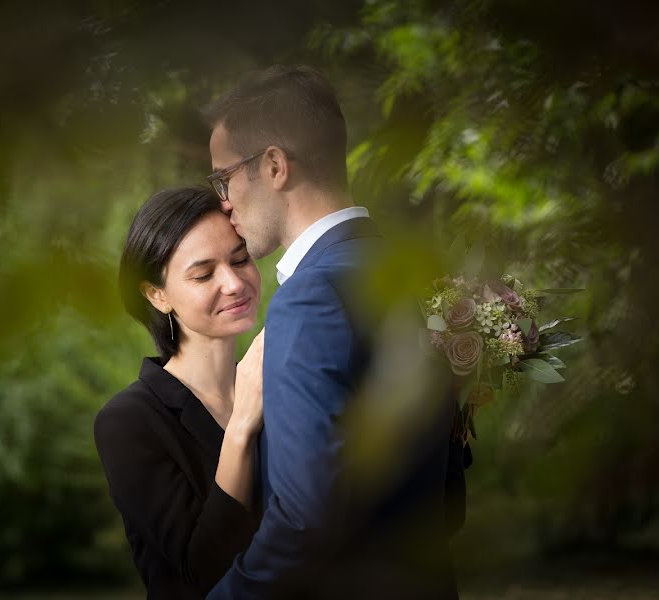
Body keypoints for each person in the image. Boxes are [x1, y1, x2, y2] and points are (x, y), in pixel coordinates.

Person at [203, 65, 465, 599]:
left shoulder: (311, 297)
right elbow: (448, 490)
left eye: (223, 178)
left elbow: (304, 521)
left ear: (274, 165)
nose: (222, 201)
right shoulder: (403, 275)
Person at [94, 187, 266, 599]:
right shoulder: (128, 422)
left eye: (240, 259)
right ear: (157, 294)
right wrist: (241, 427)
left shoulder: (275, 384)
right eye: (203, 274)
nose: (233, 282)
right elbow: (201, 569)